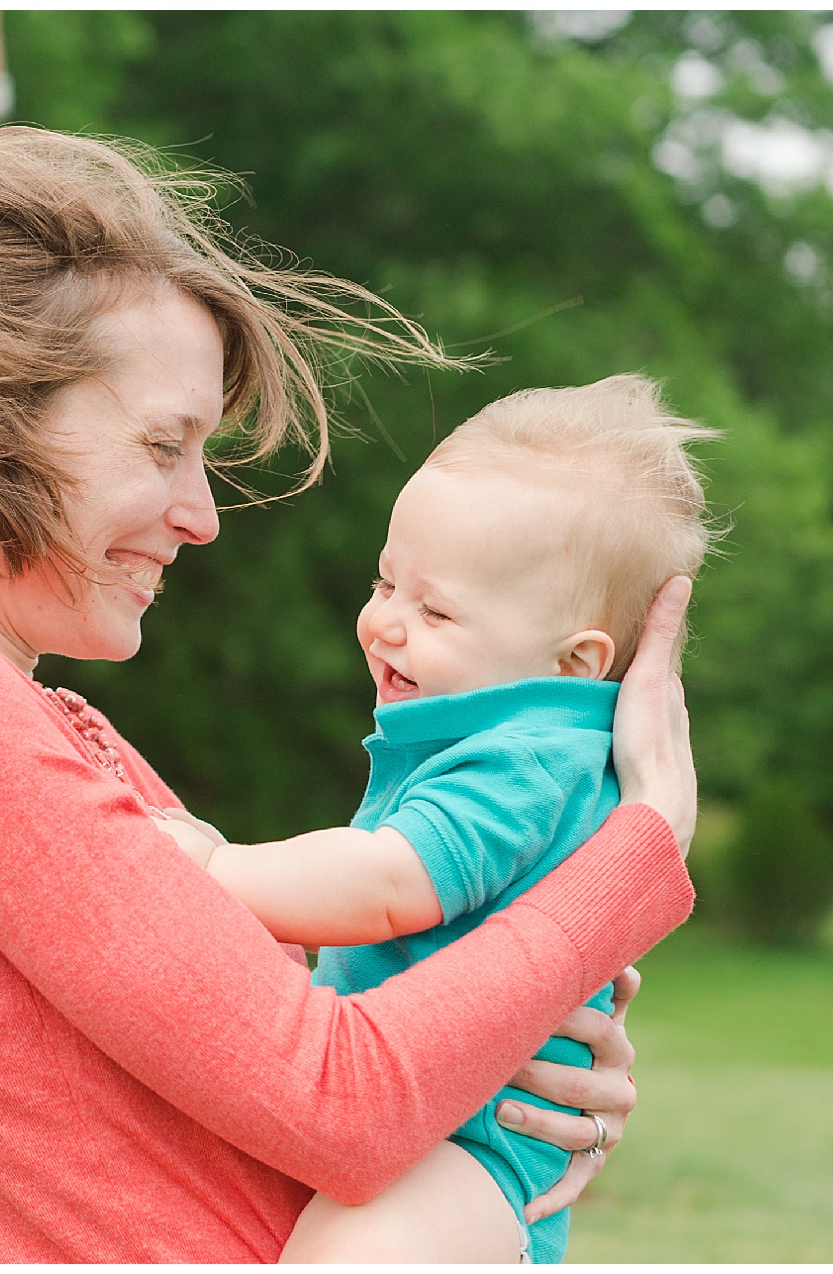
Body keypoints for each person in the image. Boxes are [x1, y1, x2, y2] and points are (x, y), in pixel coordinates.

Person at [0, 126, 698, 1264]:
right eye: (163, 444)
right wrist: (640, 843)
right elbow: (346, 1105)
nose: (201, 515)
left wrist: (518, 1079)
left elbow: (323, 1034)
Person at [160, 375, 718, 1262]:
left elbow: (387, 885)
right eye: (385, 583)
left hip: (467, 1154)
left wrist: (215, 871)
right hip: (424, 1116)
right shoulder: (503, 745)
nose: (386, 624)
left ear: (577, 662)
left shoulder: (524, 762)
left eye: (436, 609)